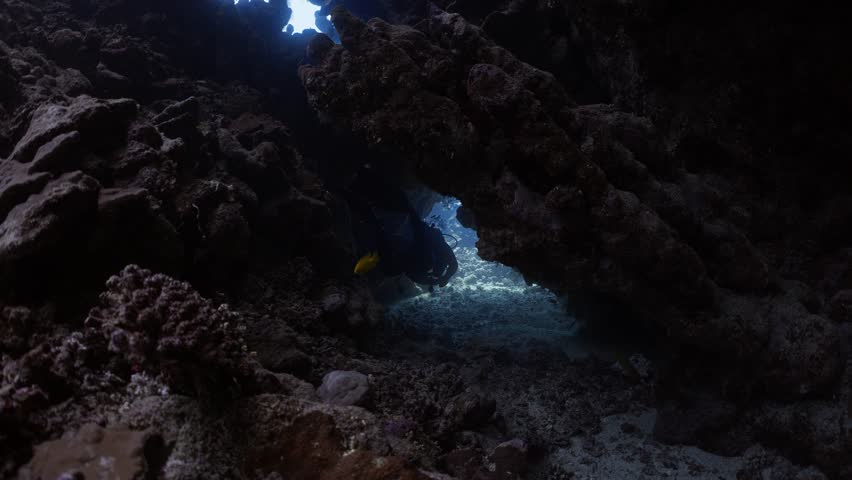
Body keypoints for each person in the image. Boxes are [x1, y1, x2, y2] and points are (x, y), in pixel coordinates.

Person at [345, 165, 457, 287]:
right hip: (401, 215)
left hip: (388, 220)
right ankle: (360, 174)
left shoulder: (404, 262)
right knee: (397, 206)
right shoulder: (428, 237)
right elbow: (452, 263)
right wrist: (444, 278)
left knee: (390, 269)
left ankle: (354, 179)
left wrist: (439, 279)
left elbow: (416, 274)